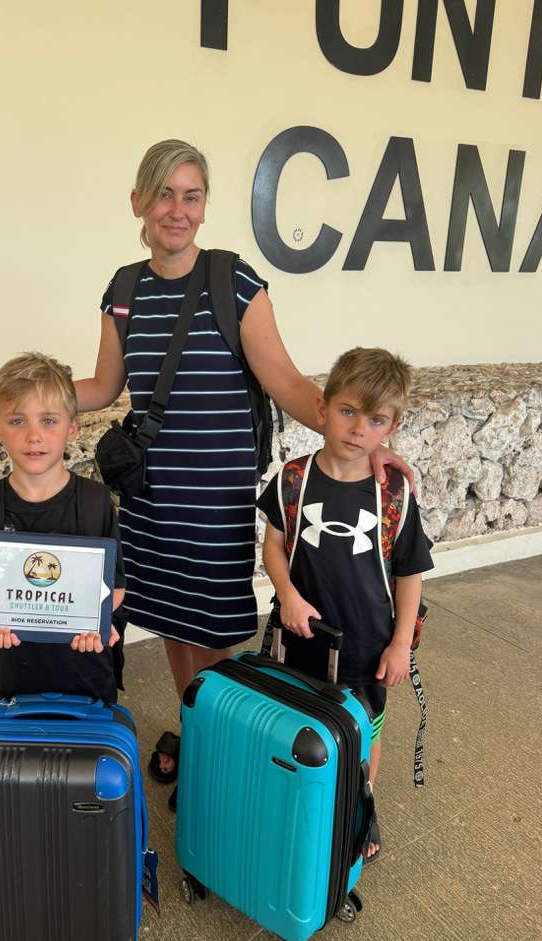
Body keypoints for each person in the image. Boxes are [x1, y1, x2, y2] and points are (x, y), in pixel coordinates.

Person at [73, 139, 413, 795]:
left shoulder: (234, 282)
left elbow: (285, 381)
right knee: (173, 623)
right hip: (150, 496)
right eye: (164, 194)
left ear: (205, 206)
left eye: (191, 196)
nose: (177, 210)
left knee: (213, 629)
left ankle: (223, 744)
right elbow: (104, 385)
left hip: (216, 498)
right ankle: (197, 728)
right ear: (138, 202)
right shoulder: (123, 290)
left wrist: (361, 440)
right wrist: (29, 397)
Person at [257, 347, 434, 862]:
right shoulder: (292, 480)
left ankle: (360, 806)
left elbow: (410, 573)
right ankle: (301, 800)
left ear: (392, 428)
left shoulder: (393, 494)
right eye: (348, 411)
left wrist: (400, 645)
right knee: (299, 719)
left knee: (362, 732)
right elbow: (273, 546)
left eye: (375, 420)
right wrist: (288, 595)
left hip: (367, 645)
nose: (358, 429)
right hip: (300, 637)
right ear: (323, 409)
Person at [0, 352, 126, 704]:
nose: (34, 436)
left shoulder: (95, 503)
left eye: (48, 420)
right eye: (17, 421)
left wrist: (94, 621)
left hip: (86, 671)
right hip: (8, 675)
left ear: (73, 426)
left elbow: (116, 586)